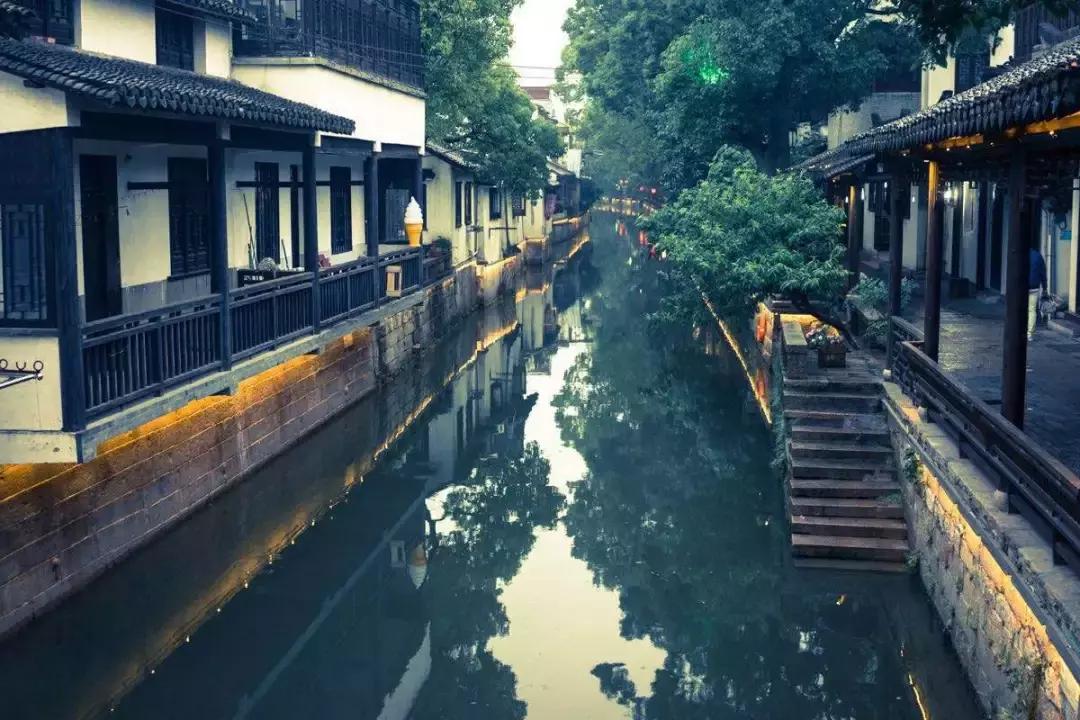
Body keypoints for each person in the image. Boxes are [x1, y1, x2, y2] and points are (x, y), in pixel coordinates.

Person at [1029, 246, 1047, 341]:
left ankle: (1020, 331)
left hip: (1021, 288)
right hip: (1034, 287)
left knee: (1020, 309)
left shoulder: (1020, 255)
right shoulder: (1038, 256)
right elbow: (1043, 273)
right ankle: (1029, 334)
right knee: (1032, 310)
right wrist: (1045, 288)